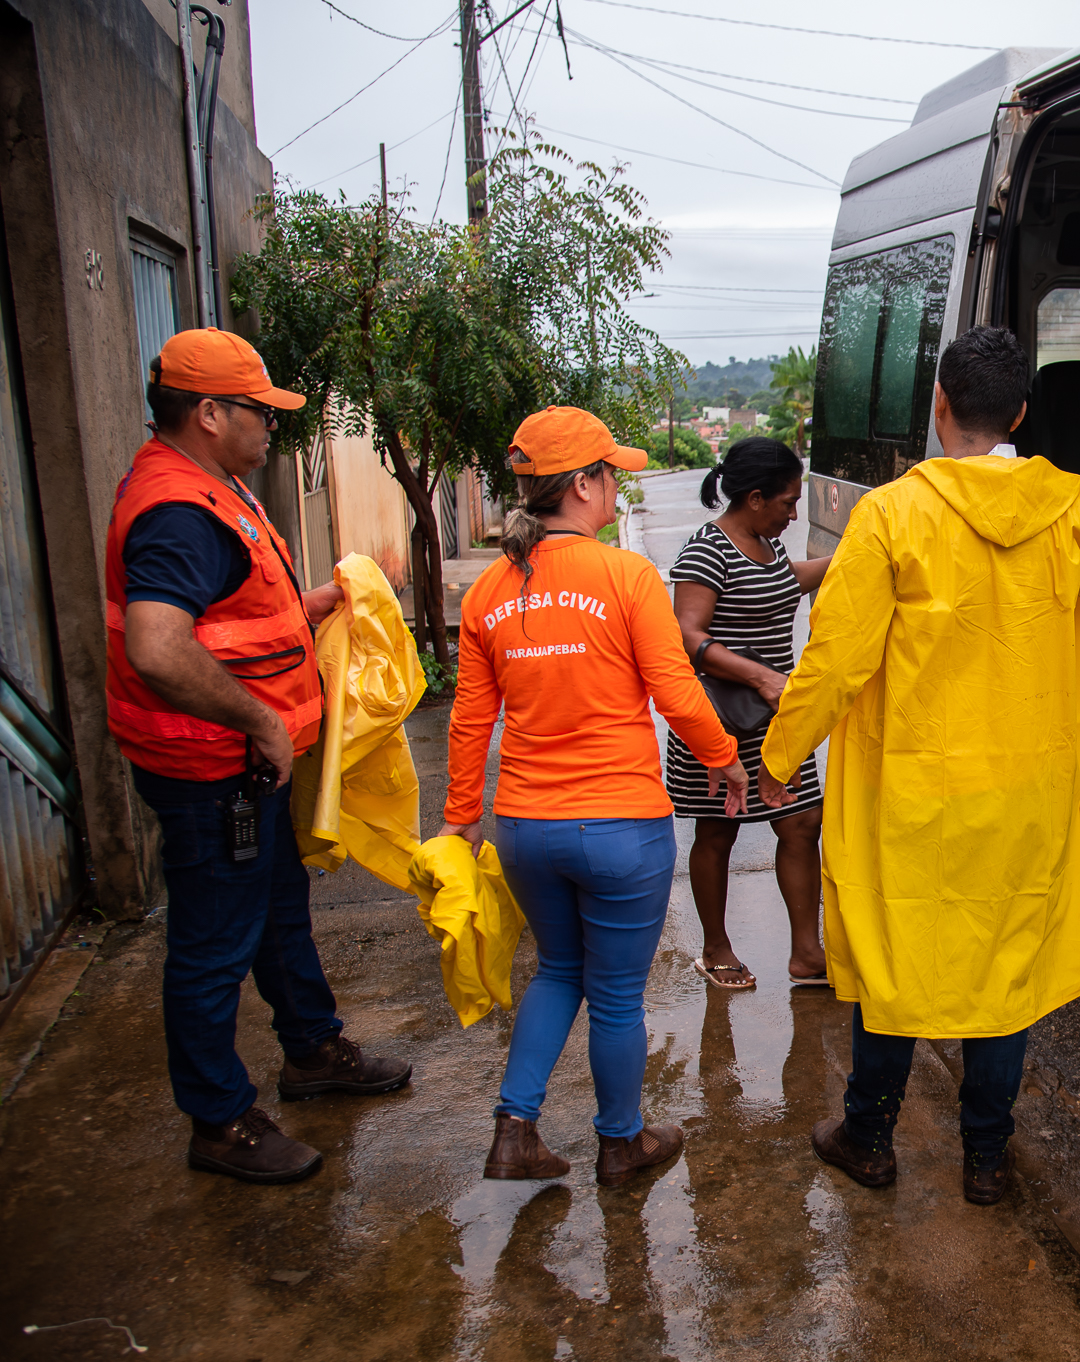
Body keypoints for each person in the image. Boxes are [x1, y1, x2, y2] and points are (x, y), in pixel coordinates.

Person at [757, 326, 1080, 1204]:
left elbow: (833, 662)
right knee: (1004, 976)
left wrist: (780, 756)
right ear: (1019, 414)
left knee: (895, 964)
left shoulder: (890, 516)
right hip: (1027, 795)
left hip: (916, 794)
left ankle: (869, 1138)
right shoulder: (1072, 510)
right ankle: (985, 1159)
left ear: (940, 405)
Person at [105, 327, 412, 1185]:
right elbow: (158, 646)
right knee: (213, 944)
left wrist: (315, 606)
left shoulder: (213, 487)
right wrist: (260, 721)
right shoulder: (178, 509)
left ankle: (312, 1047)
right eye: (261, 412)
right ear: (209, 413)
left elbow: (231, 618)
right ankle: (220, 1121)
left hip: (245, 766)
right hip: (211, 769)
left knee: (279, 910)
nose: (273, 427)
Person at [439, 405, 748, 1188]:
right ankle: (621, 1143)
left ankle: (515, 1131)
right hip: (618, 827)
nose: (617, 488)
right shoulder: (625, 576)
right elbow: (676, 692)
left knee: (557, 971)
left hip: (526, 827)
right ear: (581, 485)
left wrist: (460, 817)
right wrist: (726, 759)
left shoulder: (488, 592)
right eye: (610, 475)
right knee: (614, 996)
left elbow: (470, 717)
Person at [667, 436, 832, 991]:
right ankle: (715, 949)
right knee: (718, 831)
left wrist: (846, 560)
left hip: (776, 718)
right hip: (720, 721)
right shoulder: (706, 550)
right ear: (755, 498)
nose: (793, 514)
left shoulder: (768, 543)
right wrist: (761, 676)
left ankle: (806, 953)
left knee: (802, 822)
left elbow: (784, 583)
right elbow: (686, 635)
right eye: (788, 502)